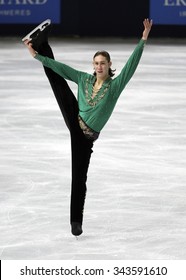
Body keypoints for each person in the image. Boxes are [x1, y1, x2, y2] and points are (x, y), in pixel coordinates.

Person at [22, 18, 152, 236]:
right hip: (75, 118)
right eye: (96, 63)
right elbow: (61, 68)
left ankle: (76, 221)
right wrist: (37, 57)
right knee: (58, 80)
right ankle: (41, 43)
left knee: (79, 177)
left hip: (85, 136)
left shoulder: (114, 86)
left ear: (109, 65)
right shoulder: (84, 79)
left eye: (102, 63)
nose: (98, 66)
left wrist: (144, 38)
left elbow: (131, 65)